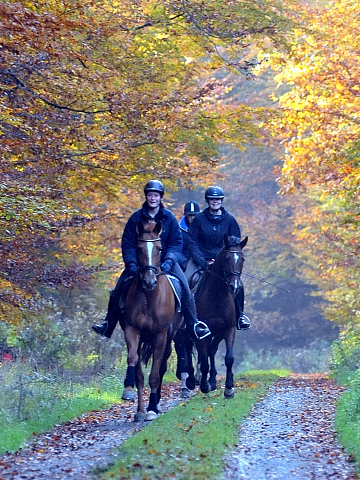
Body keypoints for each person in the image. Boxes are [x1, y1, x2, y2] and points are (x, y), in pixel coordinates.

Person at [92, 180, 211, 340]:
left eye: (156, 195)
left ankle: (194, 324)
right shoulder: (136, 218)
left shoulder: (168, 218)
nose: (153, 198)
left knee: (185, 289)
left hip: (165, 263)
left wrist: (169, 260)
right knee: (118, 289)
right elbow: (127, 243)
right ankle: (108, 323)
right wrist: (132, 264)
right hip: (140, 264)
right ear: (146, 197)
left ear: (160, 197)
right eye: (150, 195)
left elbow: (176, 242)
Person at [187, 185, 251, 330]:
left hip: (224, 262)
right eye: (212, 199)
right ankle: (184, 318)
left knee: (238, 285)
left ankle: (240, 317)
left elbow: (234, 243)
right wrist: (201, 261)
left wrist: (223, 261)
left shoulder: (230, 220)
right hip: (200, 260)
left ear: (221, 201)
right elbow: (192, 241)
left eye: (218, 199)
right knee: (185, 282)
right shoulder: (199, 219)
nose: (215, 201)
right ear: (208, 201)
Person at [178, 201, 201, 271]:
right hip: (184, 263)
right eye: (190, 215)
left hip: (201, 262)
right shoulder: (178, 231)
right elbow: (176, 249)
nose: (192, 218)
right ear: (185, 215)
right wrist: (184, 262)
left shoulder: (204, 229)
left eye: (195, 215)